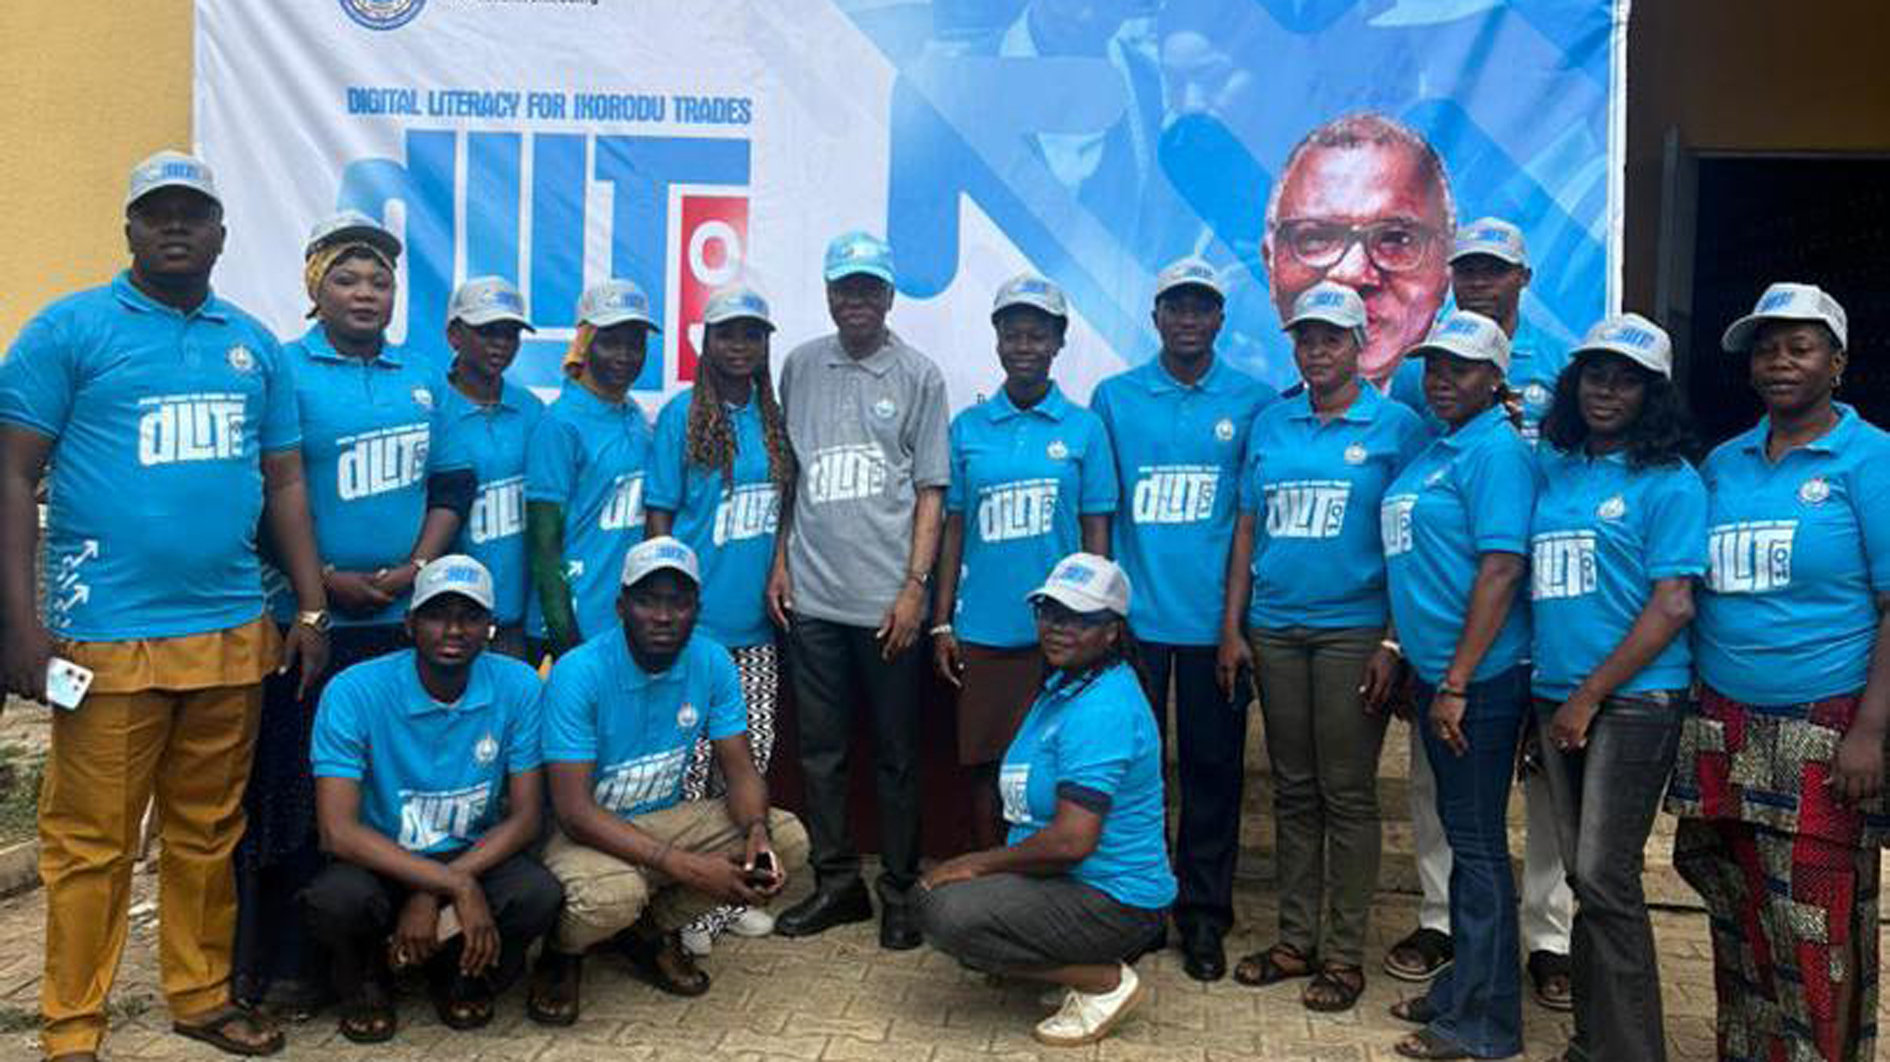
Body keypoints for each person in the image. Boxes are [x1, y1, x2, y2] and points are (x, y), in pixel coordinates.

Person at [0, 150, 329, 1060]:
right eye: (157, 213)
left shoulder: (252, 345)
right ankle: (71, 1027)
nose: (174, 226)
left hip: (231, 630)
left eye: (192, 212)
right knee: (91, 845)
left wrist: (309, 609)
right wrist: (18, 628)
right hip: (106, 636)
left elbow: (285, 482)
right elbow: (12, 473)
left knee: (207, 831)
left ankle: (200, 995)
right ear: (130, 229)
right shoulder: (69, 331)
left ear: (222, 233)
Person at [234, 212, 476, 1012]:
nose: (366, 293)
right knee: (300, 794)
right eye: (347, 278)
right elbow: (259, 495)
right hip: (309, 625)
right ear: (316, 289)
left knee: (387, 790)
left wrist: (417, 570)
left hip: (401, 625)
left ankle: (387, 956)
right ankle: (293, 964)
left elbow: (451, 486)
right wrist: (324, 581)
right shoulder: (285, 371)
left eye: (380, 280)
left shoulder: (422, 378)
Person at [1667, 283, 1890, 1062]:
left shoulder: (1872, 459)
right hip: (1723, 722)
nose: (1780, 362)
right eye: (1766, 349)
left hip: (1825, 726)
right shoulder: (1723, 463)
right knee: (1739, 915)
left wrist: (1871, 731)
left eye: (1800, 347)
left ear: (1837, 361)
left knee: (1816, 928)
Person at [1382, 219, 1576, 1010]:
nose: (1479, 282)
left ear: (1522, 278)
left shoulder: (1561, 368)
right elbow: (1413, 511)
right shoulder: (1420, 385)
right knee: (1446, 791)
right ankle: (1446, 926)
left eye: (1494, 270)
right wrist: (1402, 639)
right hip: (1449, 613)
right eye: (1467, 269)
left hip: (1532, 601)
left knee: (1540, 787)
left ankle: (1548, 938)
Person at [1216, 282, 1425, 1011]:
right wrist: (1233, 627)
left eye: (1332, 338)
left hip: (1353, 631)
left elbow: (1409, 542)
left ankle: (1343, 955)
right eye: (1306, 338)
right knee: (1294, 789)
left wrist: (1393, 639)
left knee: (1348, 792)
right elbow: (1248, 529)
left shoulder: (1397, 427)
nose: (1317, 351)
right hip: (1275, 628)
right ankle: (1294, 940)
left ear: (1359, 344)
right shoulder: (1272, 423)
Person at [527, 538, 809, 1024]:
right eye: (647, 601)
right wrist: (688, 867)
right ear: (621, 607)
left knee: (786, 839)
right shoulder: (580, 672)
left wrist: (757, 833)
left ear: (697, 609)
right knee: (610, 896)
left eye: (678, 602)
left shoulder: (712, 660)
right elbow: (573, 812)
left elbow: (740, 769)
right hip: (581, 833)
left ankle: (645, 931)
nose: (662, 616)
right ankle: (562, 951)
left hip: (661, 818)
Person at [1089, 256, 1274, 982]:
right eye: (1176, 307)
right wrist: (1105, 612)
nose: (1189, 319)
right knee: (1132, 774)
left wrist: (1236, 625)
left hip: (1213, 628)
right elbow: (1102, 511)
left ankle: (1203, 915)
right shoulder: (1115, 398)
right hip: (1134, 627)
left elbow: (1250, 522)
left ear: (1220, 319)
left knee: (1212, 774)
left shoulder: (1253, 402)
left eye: (1202, 307)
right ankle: (1137, 907)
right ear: (1156, 316)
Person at [768, 232, 950, 950]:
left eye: (869, 288)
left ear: (890, 296)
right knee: (821, 751)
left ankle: (900, 890)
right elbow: (791, 478)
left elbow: (931, 492)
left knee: (897, 754)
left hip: (887, 610)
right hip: (812, 600)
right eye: (845, 288)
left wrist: (914, 590)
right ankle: (836, 884)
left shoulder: (920, 374)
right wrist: (780, 560)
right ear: (828, 294)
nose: (857, 300)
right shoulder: (799, 366)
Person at [1529, 315, 1704, 1062]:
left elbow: (1673, 605)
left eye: (1626, 380)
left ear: (1652, 395)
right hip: (1557, 692)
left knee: (1606, 876)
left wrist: (1589, 695)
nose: (1606, 390)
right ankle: (1592, 1041)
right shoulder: (1559, 469)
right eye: (1595, 376)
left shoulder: (1671, 481)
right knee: (1584, 877)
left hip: (1633, 701)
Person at [303, 556, 562, 1042]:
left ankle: (458, 969)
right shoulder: (354, 691)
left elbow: (527, 817)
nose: (454, 630)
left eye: (470, 617)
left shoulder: (519, 684)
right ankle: (368, 978)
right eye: (437, 615)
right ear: (409, 624)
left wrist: (439, 887)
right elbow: (337, 832)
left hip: (471, 852)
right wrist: (455, 887)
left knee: (536, 894)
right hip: (381, 857)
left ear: (490, 627)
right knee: (337, 900)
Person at [917, 553, 1171, 1048]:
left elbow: (1073, 842)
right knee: (937, 888)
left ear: (1112, 632)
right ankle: (1061, 962)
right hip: (1065, 882)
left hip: (1112, 899)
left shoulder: (1104, 706)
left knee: (944, 913)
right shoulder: (1064, 686)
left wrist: (976, 864)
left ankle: (1104, 981)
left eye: (1078, 618)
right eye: (1049, 612)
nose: (1057, 627)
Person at [1379, 310, 1536, 1060]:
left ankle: (1485, 1026)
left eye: (1461, 367)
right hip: (1440, 672)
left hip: (1480, 681)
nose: (1442, 379)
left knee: (1476, 848)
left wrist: (1459, 681)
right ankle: (1462, 989)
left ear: (1496, 377)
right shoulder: (1444, 445)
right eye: (1435, 365)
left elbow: (1502, 568)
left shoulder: (1496, 451)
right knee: (1462, 837)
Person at [932, 275, 1117, 850]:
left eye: (1038, 335)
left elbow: (1096, 530)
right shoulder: (968, 428)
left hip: (1061, 636)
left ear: (1059, 342)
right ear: (997, 341)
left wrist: (1097, 620)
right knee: (987, 769)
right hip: (985, 631)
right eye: (1013, 334)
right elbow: (953, 530)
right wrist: (942, 622)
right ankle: (989, 875)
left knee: (1054, 768)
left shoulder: (1084, 428)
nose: (1024, 347)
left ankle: (1046, 881)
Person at [644, 285, 792, 952]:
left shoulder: (773, 416)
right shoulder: (682, 414)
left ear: (765, 344)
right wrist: (664, 607)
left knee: (746, 766)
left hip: (755, 631)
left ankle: (727, 902)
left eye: (752, 334)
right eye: (727, 333)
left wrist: (781, 563)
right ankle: (684, 912)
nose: (740, 346)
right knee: (690, 771)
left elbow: (783, 510)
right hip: (694, 634)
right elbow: (659, 516)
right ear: (707, 343)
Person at [1263, 112, 1455, 388]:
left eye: (1395, 239)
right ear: (1271, 264)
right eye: (1316, 238)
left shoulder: (1475, 413)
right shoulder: (1262, 413)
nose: (1353, 274)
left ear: (1448, 267)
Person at [526, 279, 656, 659]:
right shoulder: (560, 423)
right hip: (571, 630)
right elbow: (544, 547)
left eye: (635, 343)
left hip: (624, 626)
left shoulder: (634, 415)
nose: (625, 355)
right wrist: (566, 643)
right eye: (610, 341)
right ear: (584, 343)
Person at [440, 279, 546, 660]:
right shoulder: (432, 407)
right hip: (446, 619)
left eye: (510, 333)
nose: (501, 343)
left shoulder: (532, 410)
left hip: (513, 623)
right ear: (455, 334)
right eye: (487, 332)